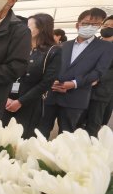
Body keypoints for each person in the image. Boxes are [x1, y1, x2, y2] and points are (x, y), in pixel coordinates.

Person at [40, 8, 113, 136]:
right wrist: (52, 81)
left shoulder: (106, 47)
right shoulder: (64, 45)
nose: (90, 27)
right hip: (52, 94)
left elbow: (98, 72)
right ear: (77, 24)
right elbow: (53, 67)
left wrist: (74, 84)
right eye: (86, 23)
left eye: (95, 24)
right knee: (41, 130)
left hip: (75, 98)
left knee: (67, 135)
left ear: (99, 26)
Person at [2, 13, 61, 138]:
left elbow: (47, 82)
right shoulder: (20, 47)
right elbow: (6, 71)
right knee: (2, 137)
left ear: (41, 28)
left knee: (21, 140)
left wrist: (20, 101)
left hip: (29, 103)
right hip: (6, 100)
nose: (25, 29)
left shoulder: (53, 51)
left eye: (29, 26)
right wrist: (5, 97)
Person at [84, 16, 113, 136]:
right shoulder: (91, 42)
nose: (108, 28)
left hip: (101, 92)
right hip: (82, 88)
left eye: (111, 27)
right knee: (77, 121)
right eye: (106, 25)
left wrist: (98, 77)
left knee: (94, 123)